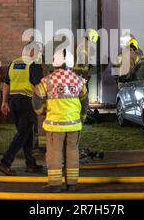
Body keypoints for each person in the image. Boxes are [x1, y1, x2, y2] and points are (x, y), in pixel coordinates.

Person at [32, 48, 89, 192]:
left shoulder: (48, 80)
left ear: (54, 63)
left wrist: (41, 111)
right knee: (72, 152)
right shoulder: (78, 80)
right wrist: (82, 117)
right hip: (74, 124)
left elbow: (37, 98)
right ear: (70, 63)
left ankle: (55, 184)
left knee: (54, 153)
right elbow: (84, 101)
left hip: (54, 125)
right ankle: (72, 184)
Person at [0, 43, 44, 175]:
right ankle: (5, 162)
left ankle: (30, 163)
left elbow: (6, 83)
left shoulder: (14, 63)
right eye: (39, 52)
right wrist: (42, 104)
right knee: (23, 133)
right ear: (32, 52)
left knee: (26, 133)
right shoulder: (33, 64)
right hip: (27, 102)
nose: (40, 55)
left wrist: (4, 102)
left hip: (14, 101)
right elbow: (38, 87)